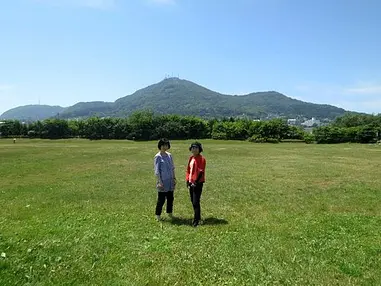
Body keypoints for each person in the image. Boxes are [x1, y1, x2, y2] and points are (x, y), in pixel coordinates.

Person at [154, 138, 176, 221]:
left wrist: (174, 178)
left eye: (166, 145)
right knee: (161, 199)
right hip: (163, 181)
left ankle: (169, 213)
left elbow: (172, 167)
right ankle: (158, 215)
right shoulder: (157, 157)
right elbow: (157, 171)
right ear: (160, 146)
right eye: (163, 145)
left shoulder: (169, 155)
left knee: (170, 198)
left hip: (170, 180)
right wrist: (160, 182)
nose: (165, 147)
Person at [186, 141, 206, 227]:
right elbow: (188, 170)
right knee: (193, 201)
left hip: (198, 183)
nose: (194, 149)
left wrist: (196, 182)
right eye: (193, 147)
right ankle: (198, 217)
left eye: (196, 148)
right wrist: (187, 180)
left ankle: (196, 220)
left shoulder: (201, 159)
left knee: (195, 202)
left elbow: (201, 172)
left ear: (199, 149)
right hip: (191, 183)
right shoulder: (191, 158)